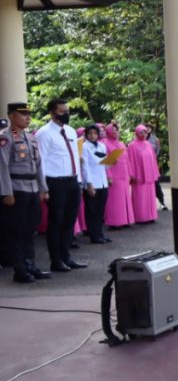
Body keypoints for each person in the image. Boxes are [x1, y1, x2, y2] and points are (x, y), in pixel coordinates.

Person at [34, 98, 86, 272]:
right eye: (62, 111)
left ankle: (66, 256)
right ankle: (55, 260)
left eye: (67, 111)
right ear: (52, 112)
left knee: (70, 220)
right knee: (56, 220)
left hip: (72, 181)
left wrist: (78, 180)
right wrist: (43, 187)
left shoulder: (71, 131)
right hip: (55, 182)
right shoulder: (44, 133)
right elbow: (40, 162)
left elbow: (74, 157)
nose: (66, 114)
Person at [0, 103, 50, 283]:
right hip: (16, 188)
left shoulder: (30, 137)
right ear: (12, 116)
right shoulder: (6, 137)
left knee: (30, 229)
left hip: (32, 188)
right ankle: (19, 269)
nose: (27, 117)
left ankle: (30, 264)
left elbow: (38, 165)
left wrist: (43, 188)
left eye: (29, 114)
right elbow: (2, 166)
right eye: (23, 114)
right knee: (16, 231)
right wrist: (6, 192)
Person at [80, 124, 112, 244]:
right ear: (86, 135)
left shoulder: (102, 146)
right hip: (92, 182)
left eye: (94, 133)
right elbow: (85, 166)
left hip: (103, 182)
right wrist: (89, 183)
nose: (92, 136)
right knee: (91, 210)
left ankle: (100, 233)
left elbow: (104, 164)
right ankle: (94, 235)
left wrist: (112, 161)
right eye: (90, 133)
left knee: (100, 210)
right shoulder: (84, 147)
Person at [126, 124, 161, 224]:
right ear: (136, 133)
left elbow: (153, 160)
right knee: (140, 197)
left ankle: (151, 215)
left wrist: (155, 173)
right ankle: (140, 217)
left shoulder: (148, 144)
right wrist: (133, 175)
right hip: (139, 177)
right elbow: (131, 161)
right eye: (141, 132)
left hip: (149, 176)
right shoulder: (132, 146)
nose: (143, 134)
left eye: (145, 132)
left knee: (150, 196)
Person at [102, 123, 134, 228]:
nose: (115, 132)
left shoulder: (121, 144)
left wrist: (129, 173)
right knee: (115, 201)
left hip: (124, 175)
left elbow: (127, 160)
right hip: (114, 176)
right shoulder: (104, 144)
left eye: (116, 130)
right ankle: (115, 222)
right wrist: (108, 176)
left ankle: (125, 220)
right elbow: (105, 162)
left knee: (125, 198)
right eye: (113, 130)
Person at [145, 122, 169, 211]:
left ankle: (162, 202)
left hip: (152, 165)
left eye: (149, 128)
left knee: (156, 184)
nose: (147, 129)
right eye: (146, 127)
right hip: (143, 167)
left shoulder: (155, 139)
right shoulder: (138, 140)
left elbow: (158, 151)